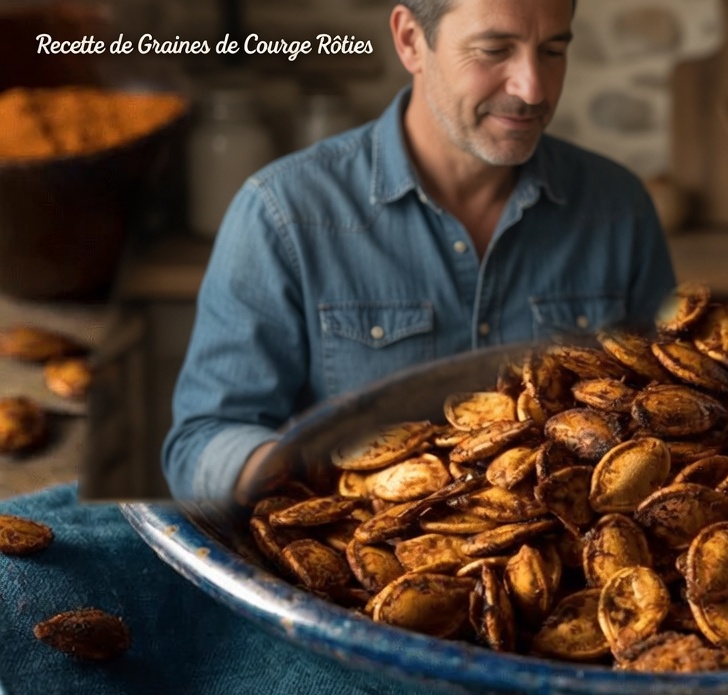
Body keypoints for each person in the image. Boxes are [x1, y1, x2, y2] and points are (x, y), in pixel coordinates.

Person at [162, 0, 677, 504]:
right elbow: (197, 445)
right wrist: (278, 467)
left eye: (552, 51)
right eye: (494, 50)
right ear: (411, 40)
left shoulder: (619, 209)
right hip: (356, 575)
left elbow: (669, 400)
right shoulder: (282, 213)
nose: (532, 87)